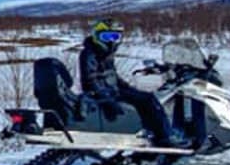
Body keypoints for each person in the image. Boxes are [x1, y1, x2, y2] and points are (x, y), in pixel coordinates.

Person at [78, 20, 188, 148]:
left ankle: (150, 130)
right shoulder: (89, 53)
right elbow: (90, 79)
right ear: (97, 36)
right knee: (148, 100)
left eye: (115, 36)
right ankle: (164, 136)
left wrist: (127, 87)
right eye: (106, 36)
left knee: (144, 97)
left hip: (111, 89)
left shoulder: (104, 54)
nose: (110, 40)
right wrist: (105, 95)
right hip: (104, 92)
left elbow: (112, 75)